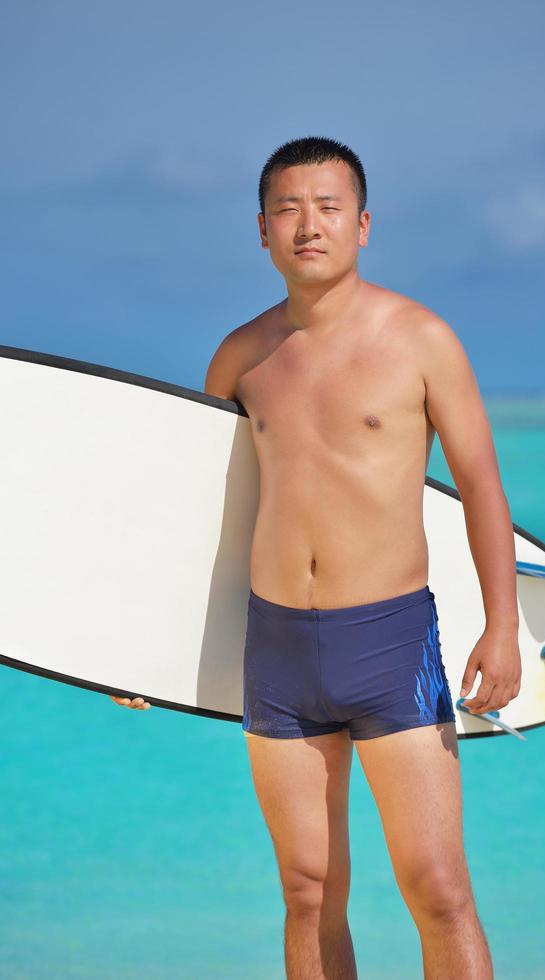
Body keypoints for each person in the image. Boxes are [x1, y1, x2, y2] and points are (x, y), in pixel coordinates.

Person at [112, 136, 521, 980]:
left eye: (328, 207)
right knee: (306, 892)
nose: (310, 225)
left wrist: (504, 627)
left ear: (363, 225)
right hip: (279, 651)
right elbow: (203, 521)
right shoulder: (240, 358)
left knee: (438, 890)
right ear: (261, 231)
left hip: (390, 642)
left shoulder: (421, 339)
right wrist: (140, 653)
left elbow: (481, 487)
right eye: (289, 210)